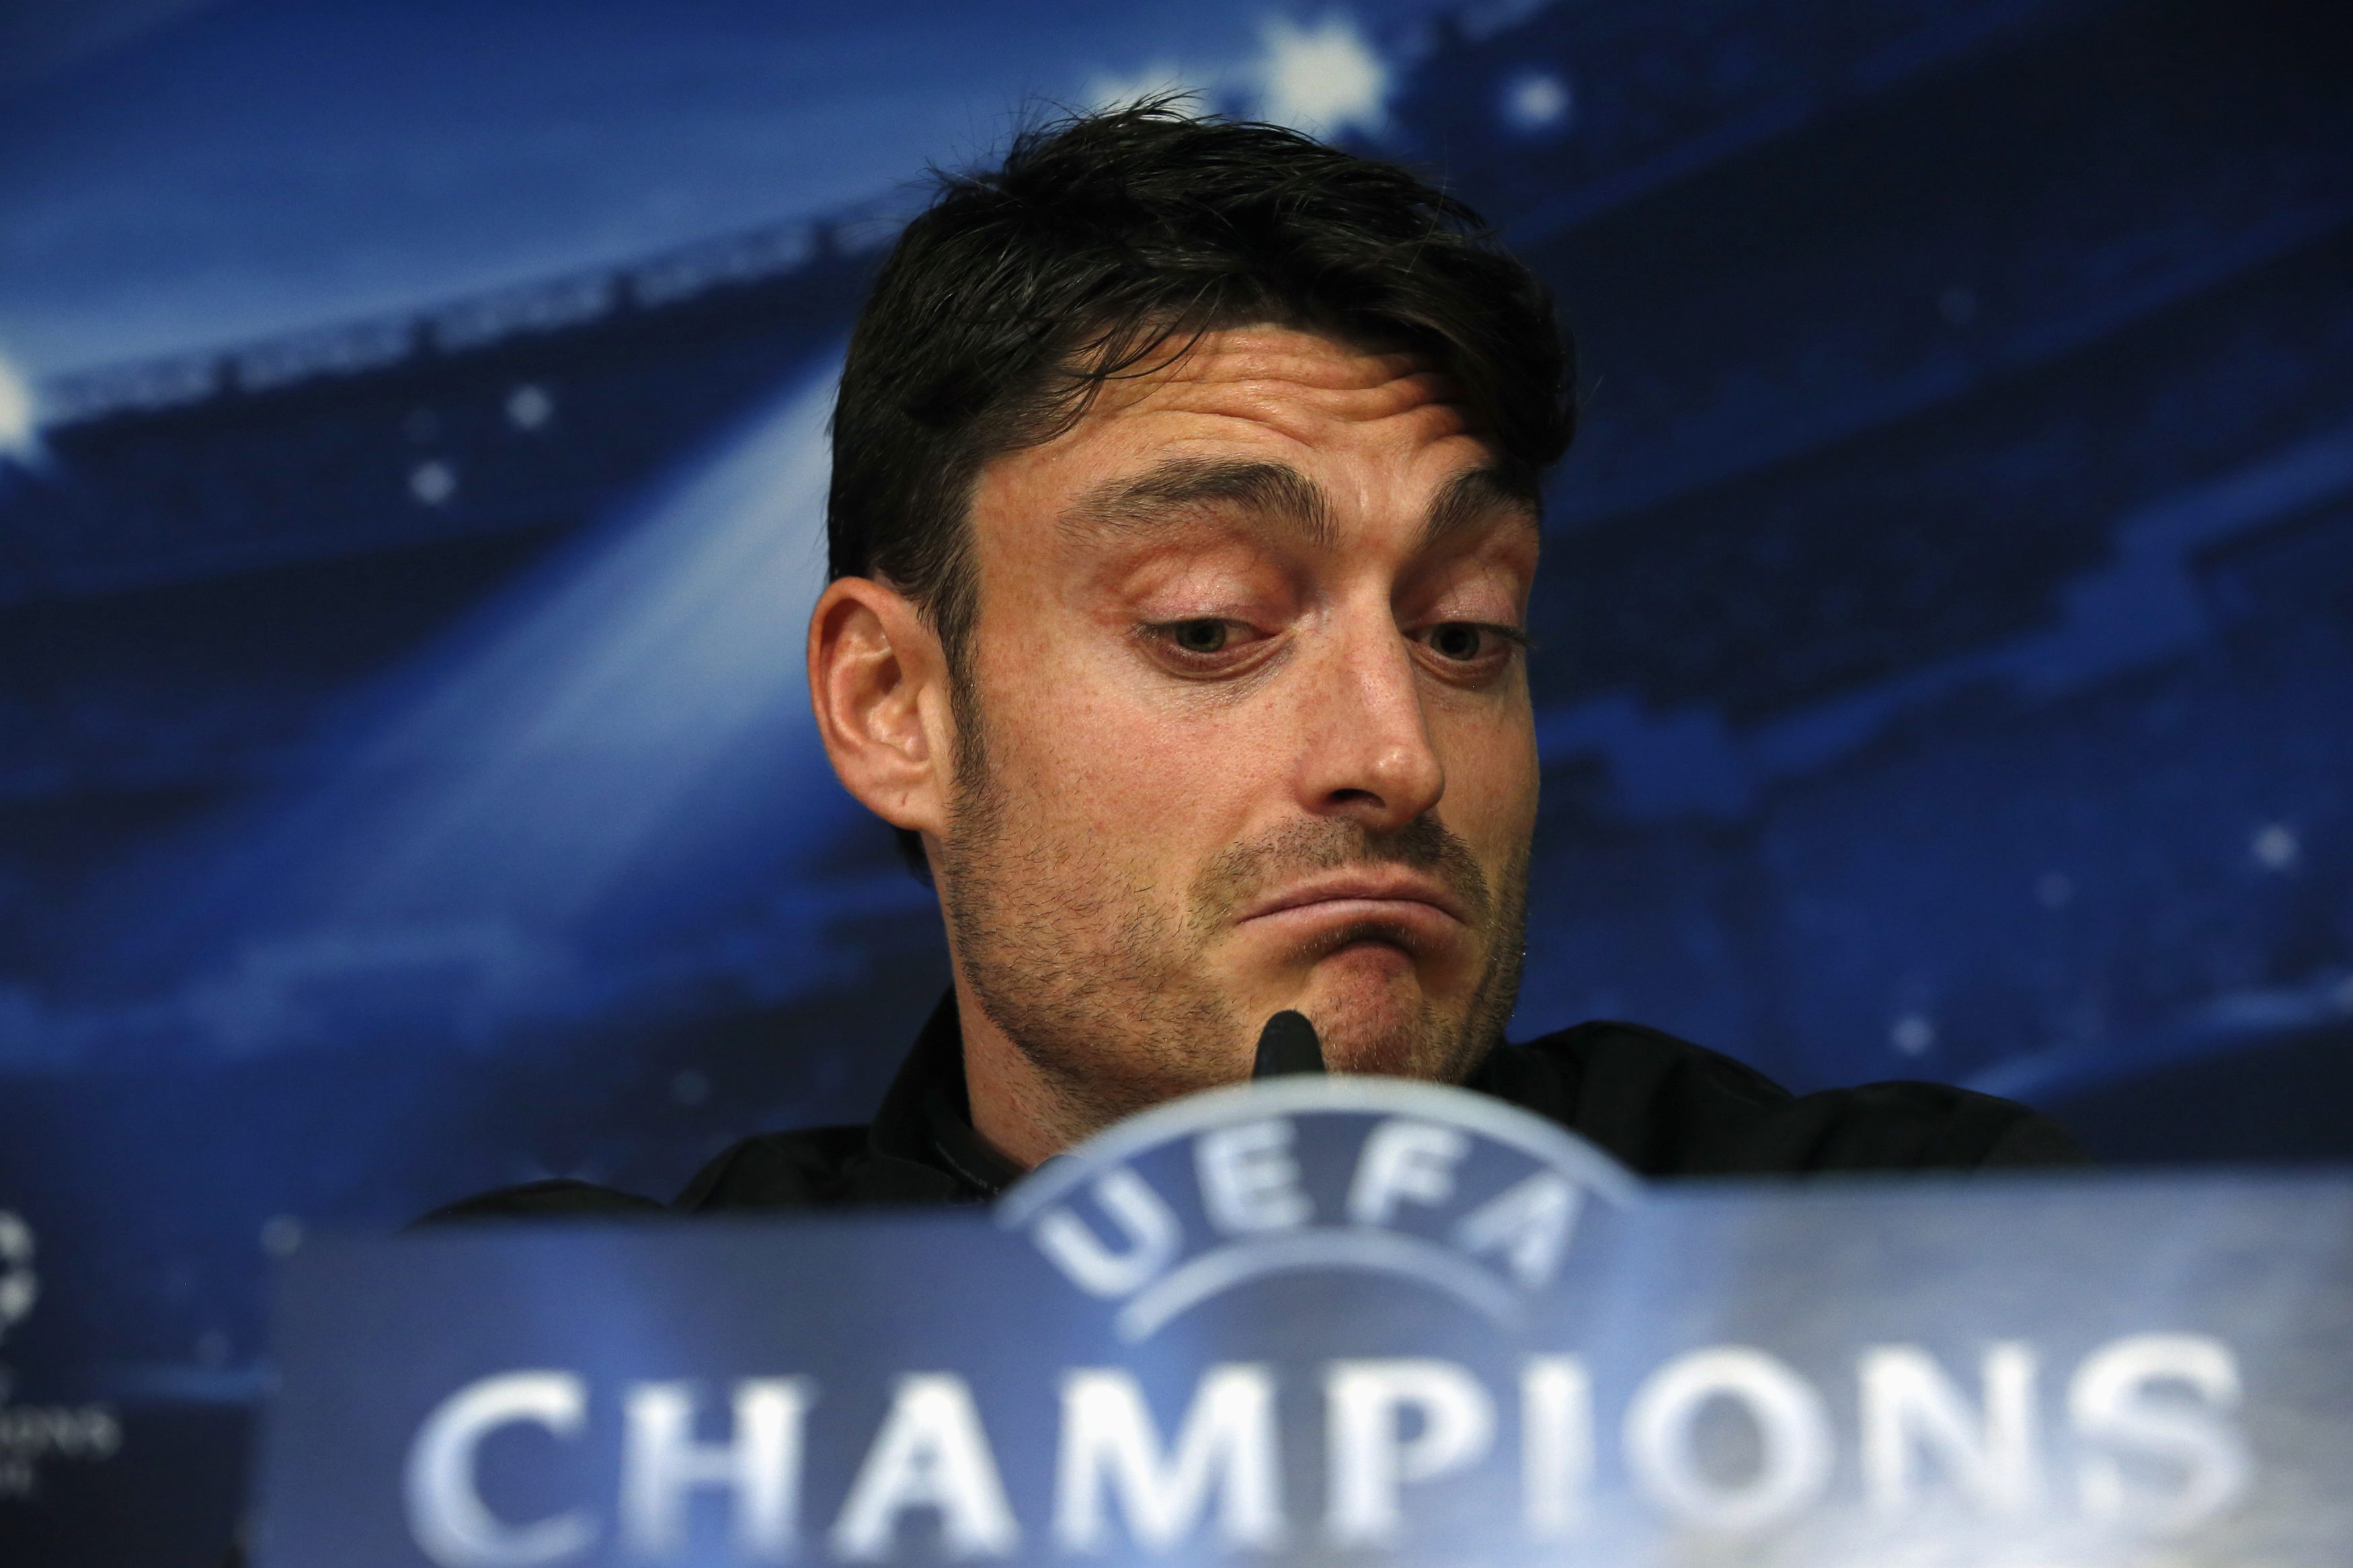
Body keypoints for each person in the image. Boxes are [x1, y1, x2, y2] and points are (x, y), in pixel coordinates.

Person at [437, 103, 2080, 1222]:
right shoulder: (571, 1382)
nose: (1396, 754)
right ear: (893, 706)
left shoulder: (1904, 1252)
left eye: (1463, 632)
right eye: (1209, 626)